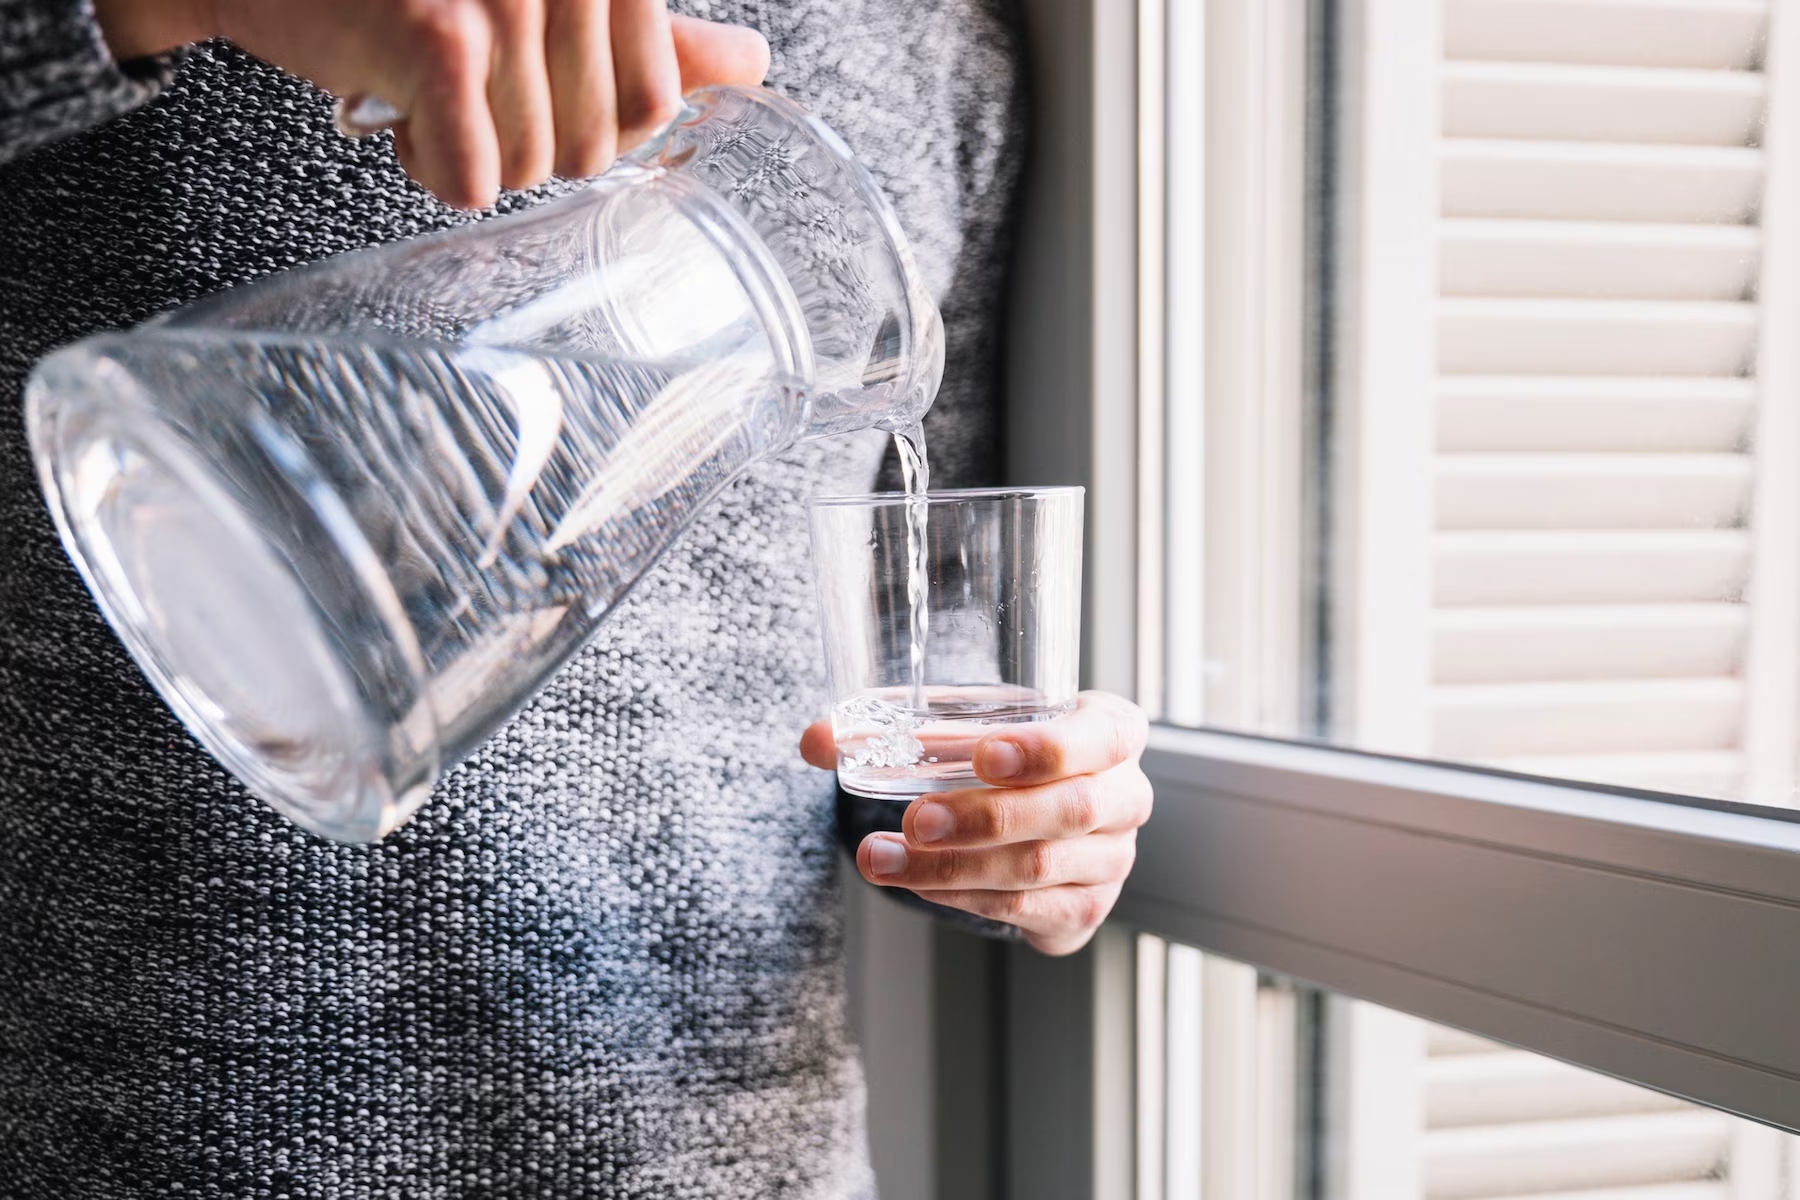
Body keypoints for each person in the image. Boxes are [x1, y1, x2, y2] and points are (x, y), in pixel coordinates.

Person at [0, 0, 1152, 1193]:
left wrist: (1026, 831)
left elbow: (922, 651)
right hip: (134, 1134)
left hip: (724, 1151)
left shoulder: (939, 47)